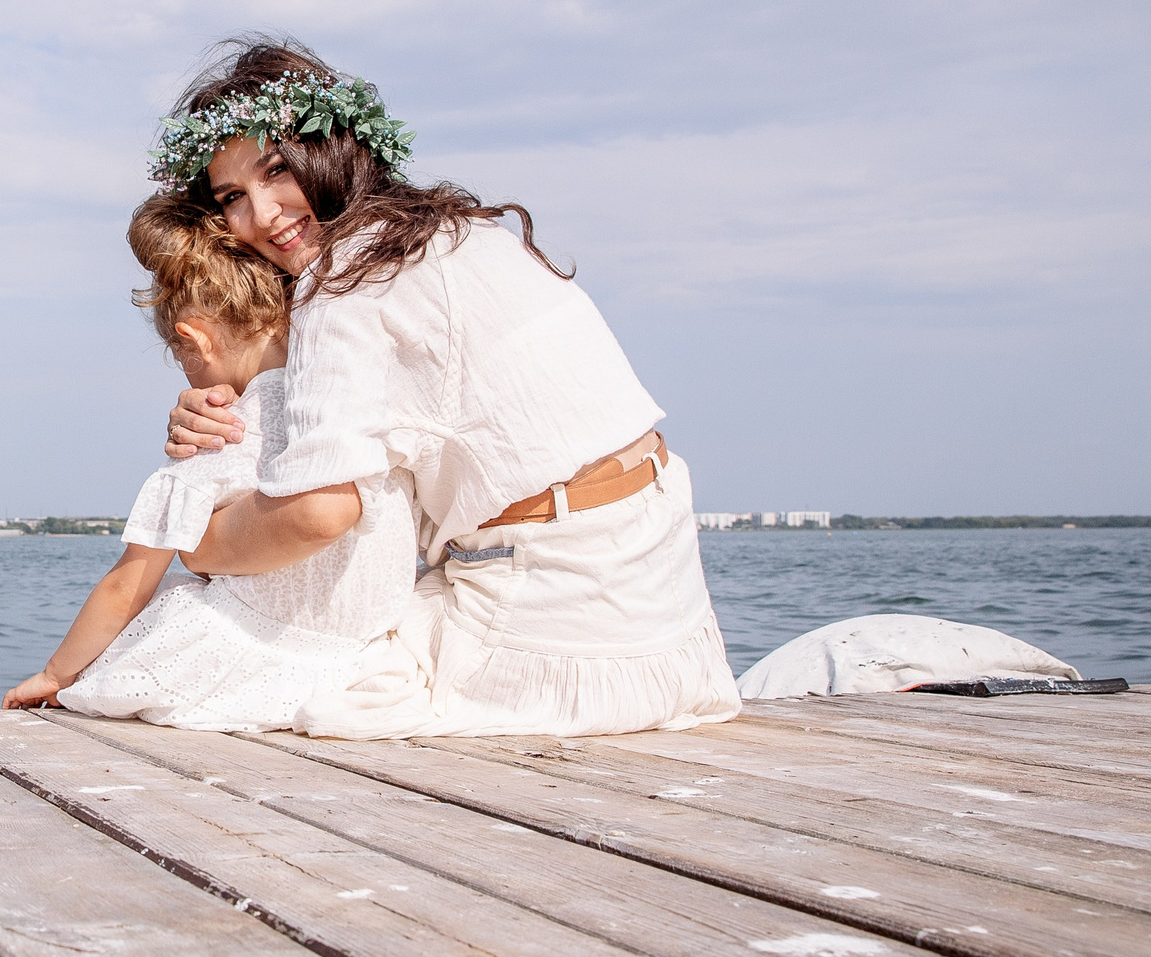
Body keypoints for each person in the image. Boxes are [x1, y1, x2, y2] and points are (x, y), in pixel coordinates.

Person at [154, 37, 738, 738]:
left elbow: (318, 514)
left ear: (330, 145)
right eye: (232, 199)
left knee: (221, 642)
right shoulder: (461, 232)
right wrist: (227, 410)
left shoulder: (344, 283)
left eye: (277, 170)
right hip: (670, 618)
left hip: (557, 634)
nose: (265, 214)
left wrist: (194, 538)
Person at [3, 196, 415, 730]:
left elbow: (126, 586)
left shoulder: (221, 436)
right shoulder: (359, 411)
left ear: (192, 338)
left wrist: (56, 675)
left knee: (166, 609)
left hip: (254, 665)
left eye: (181, 361)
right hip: (369, 663)